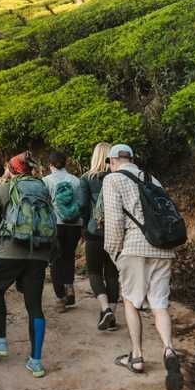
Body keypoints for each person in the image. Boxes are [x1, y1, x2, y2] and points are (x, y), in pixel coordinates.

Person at [101, 143, 183, 390]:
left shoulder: (113, 179)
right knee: (159, 303)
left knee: (130, 301)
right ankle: (169, 349)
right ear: (133, 159)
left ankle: (136, 357)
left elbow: (115, 221)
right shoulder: (152, 178)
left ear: (112, 160)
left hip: (134, 247)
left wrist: (113, 251)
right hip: (162, 246)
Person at [0, 151, 55, 378]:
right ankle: (35, 361)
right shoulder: (42, 189)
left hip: (10, 251)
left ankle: (1, 341)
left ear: (12, 169)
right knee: (34, 305)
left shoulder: (3, 189)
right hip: (39, 253)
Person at [80, 142, 120, 331]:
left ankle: (105, 310)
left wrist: (85, 229)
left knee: (95, 272)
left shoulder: (87, 178)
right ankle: (111, 313)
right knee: (112, 273)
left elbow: (83, 206)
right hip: (116, 232)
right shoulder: (118, 177)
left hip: (94, 230)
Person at [43, 151, 85, 312]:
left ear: (50, 164)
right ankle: (69, 287)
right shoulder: (76, 180)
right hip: (74, 225)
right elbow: (82, 203)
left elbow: (44, 204)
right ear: (66, 163)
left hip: (56, 225)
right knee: (68, 257)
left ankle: (60, 298)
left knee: (55, 260)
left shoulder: (46, 181)